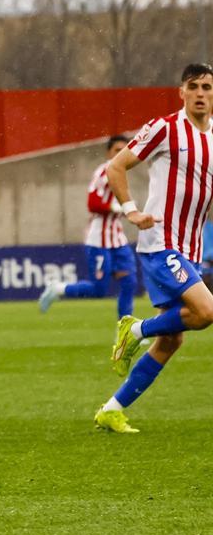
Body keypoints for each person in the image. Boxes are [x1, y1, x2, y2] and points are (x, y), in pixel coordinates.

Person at [94, 63, 213, 433]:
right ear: (181, 92)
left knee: (172, 339)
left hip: (190, 248)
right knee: (207, 311)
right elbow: (116, 167)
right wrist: (131, 210)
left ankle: (111, 409)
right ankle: (134, 330)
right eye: (193, 86)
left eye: (207, 87)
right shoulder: (165, 128)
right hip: (162, 242)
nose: (200, 93)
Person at [37, 135, 137, 323]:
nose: (121, 154)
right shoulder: (104, 172)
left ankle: (125, 330)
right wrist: (117, 207)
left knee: (129, 282)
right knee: (99, 289)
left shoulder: (122, 172)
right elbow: (92, 203)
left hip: (118, 239)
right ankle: (58, 289)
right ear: (108, 153)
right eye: (117, 150)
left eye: (125, 150)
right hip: (99, 240)